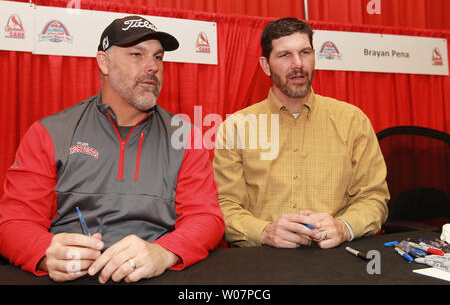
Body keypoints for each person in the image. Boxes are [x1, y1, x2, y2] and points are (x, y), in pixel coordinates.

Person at [0, 15, 224, 283]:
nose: (152, 67)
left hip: (154, 275)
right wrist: (45, 252)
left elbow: (206, 217)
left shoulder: (186, 137)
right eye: (137, 54)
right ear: (104, 63)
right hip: (76, 276)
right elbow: (14, 221)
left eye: (158, 57)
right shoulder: (49, 133)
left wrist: (164, 252)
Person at [213, 17, 389, 249]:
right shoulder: (235, 127)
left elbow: (374, 198)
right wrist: (264, 232)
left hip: (336, 257)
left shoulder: (352, 120)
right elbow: (224, 205)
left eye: (305, 52)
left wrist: (344, 227)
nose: (298, 64)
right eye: (285, 55)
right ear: (266, 65)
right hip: (263, 259)